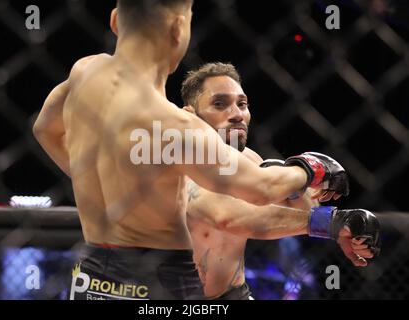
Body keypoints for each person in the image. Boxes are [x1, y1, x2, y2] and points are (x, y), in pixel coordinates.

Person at [33, 1, 350, 300]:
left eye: (242, 104)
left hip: (91, 274)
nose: (236, 113)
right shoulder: (175, 127)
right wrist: (311, 168)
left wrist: (94, 174)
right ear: (178, 29)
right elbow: (260, 189)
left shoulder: (85, 72)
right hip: (159, 280)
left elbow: (44, 129)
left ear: (115, 21)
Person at [180, 62, 381, 300]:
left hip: (233, 294)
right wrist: (330, 221)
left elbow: (304, 209)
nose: (237, 115)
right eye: (220, 104)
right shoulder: (174, 161)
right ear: (190, 115)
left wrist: (343, 228)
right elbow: (228, 216)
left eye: (242, 104)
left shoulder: (249, 161)